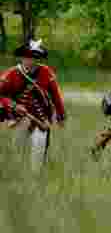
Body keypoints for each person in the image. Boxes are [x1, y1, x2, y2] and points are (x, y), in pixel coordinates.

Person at [0, 39, 65, 171]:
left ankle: (35, 177)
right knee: (17, 150)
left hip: (41, 118)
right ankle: (17, 175)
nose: (30, 60)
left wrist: (60, 115)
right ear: (22, 57)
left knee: (39, 149)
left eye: (34, 57)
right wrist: (13, 105)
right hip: (19, 118)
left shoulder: (46, 72)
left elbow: (56, 96)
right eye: (27, 56)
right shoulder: (12, 73)